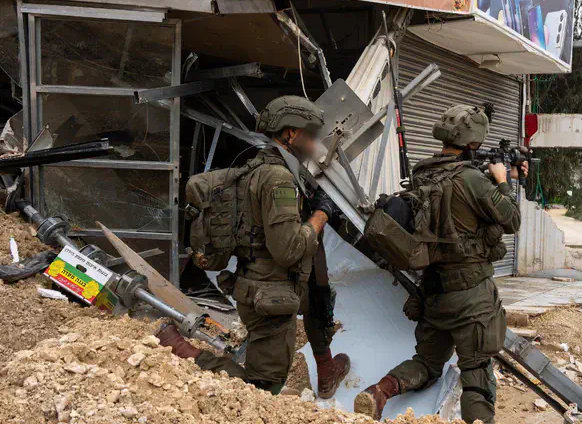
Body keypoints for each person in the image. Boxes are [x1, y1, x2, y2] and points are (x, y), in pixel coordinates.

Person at [157, 95, 350, 398]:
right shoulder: (279, 178)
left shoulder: (257, 167)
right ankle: (185, 351)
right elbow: (288, 248)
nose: (315, 144)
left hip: (255, 284)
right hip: (270, 291)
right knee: (263, 385)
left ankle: (324, 367)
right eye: (310, 136)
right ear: (290, 134)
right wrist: (320, 215)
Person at [354, 104, 526, 424]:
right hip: (472, 293)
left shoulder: (423, 172)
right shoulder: (473, 179)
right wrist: (503, 181)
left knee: (428, 364)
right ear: (473, 142)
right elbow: (511, 219)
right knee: (476, 370)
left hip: (433, 291)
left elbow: (454, 200)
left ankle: (379, 391)